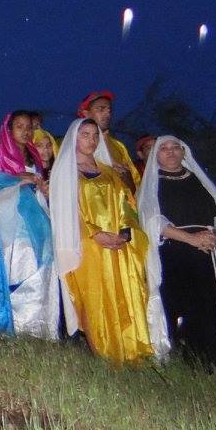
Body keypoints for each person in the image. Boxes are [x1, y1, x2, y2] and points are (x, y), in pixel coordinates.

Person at [49, 118, 153, 365]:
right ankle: (105, 355)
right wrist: (95, 233)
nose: (91, 140)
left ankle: (130, 352)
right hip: (87, 244)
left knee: (124, 293)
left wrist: (125, 232)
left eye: (95, 135)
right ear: (74, 138)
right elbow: (65, 211)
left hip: (118, 244)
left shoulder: (108, 171)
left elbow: (125, 203)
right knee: (95, 297)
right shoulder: (65, 173)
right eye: (85, 134)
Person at [136, 137, 216, 369]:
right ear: (155, 154)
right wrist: (191, 239)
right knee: (186, 307)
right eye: (164, 148)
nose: (171, 152)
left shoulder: (200, 181)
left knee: (215, 306)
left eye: (176, 147)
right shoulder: (152, 185)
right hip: (177, 254)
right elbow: (153, 221)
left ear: (184, 151)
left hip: (210, 252)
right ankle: (191, 362)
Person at [0, 111, 61, 339]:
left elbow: (37, 181)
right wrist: (20, 179)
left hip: (37, 215)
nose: (25, 131)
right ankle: (18, 325)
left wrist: (42, 188)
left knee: (43, 264)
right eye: (19, 126)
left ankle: (40, 326)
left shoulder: (33, 153)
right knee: (21, 262)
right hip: (14, 217)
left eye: (28, 127)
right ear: (9, 129)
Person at [77, 91, 139, 192]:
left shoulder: (118, 146)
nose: (107, 114)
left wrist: (128, 179)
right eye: (101, 109)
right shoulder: (77, 146)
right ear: (86, 114)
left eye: (109, 110)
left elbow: (136, 183)